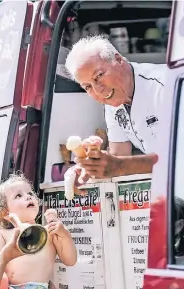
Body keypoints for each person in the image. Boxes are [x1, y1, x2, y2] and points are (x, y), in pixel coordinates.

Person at [64, 35, 167, 181]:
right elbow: (119, 155)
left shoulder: (164, 86)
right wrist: (91, 167)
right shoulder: (113, 102)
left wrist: (121, 166)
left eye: (99, 75)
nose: (98, 90)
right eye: (88, 87)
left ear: (118, 60)